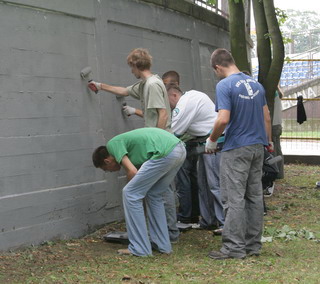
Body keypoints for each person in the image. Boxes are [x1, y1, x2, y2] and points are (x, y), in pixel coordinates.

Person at [88, 48, 179, 242]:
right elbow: (124, 91)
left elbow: (162, 114)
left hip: (159, 145)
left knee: (162, 191)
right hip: (158, 144)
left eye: (131, 68)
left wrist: (158, 142)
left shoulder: (153, 84)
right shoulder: (145, 84)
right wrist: (100, 85)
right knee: (157, 191)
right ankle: (162, 235)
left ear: (136, 65)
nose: (131, 72)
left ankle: (170, 232)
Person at [205, 48, 272, 260]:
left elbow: (223, 119)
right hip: (257, 147)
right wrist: (268, 142)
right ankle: (253, 246)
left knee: (233, 198)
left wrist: (212, 139)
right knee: (254, 197)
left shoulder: (224, 85)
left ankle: (233, 248)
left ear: (218, 67)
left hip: (236, 148)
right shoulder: (256, 85)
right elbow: (266, 116)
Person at [92, 128, 186, 256]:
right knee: (154, 194)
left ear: (107, 161)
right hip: (178, 149)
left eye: (107, 169)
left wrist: (133, 194)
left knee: (130, 193)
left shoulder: (112, 145)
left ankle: (139, 248)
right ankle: (162, 245)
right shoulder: (131, 152)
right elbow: (135, 175)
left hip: (165, 152)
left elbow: (132, 172)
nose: (111, 171)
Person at [165, 81, 225, 232]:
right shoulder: (193, 95)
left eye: (167, 101)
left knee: (215, 184)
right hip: (207, 144)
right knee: (204, 185)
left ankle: (224, 223)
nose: (168, 105)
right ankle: (209, 220)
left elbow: (174, 133)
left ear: (173, 94)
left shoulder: (184, 104)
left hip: (213, 143)